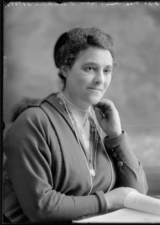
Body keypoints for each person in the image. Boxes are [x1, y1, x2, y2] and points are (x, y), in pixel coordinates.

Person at [2, 27, 148, 223]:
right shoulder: (32, 123)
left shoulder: (98, 121)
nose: (100, 79)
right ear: (65, 69)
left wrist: (116, 137)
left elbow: (137, 193)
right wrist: (107, 201)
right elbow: (41, 208)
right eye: (90, 68)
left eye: (107, 70)